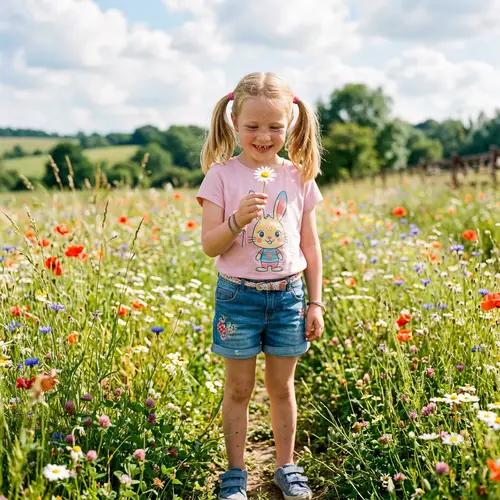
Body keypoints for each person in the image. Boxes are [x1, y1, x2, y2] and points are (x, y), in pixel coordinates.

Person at [196, 72, 325, 500]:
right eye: (253, 126)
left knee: (281, 387)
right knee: (238, 388)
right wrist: (236, 221)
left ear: (290, 124)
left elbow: (310, 243)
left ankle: (285, 466)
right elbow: (209, 245)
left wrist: (316, 303)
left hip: (289, 297)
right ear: (235, 122)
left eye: (274, 126)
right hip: (238, 297)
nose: (264, 135)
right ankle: (235, 474)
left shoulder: (298, 175)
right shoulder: (221, 176)